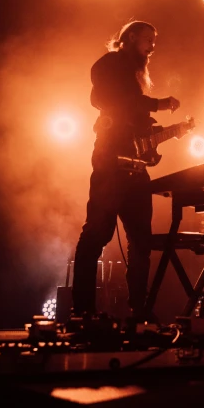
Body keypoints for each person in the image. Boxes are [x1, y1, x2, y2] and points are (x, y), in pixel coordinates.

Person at [71, 20, 180, 320]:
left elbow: (135, 119)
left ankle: (140, 311)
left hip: (136, 168)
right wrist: (158, 104)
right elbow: (113, 101)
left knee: (141, 241)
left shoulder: (133, 74)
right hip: (111, 162)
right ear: (130, 37)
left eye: (154, 41)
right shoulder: (109, 64)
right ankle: (82, 310)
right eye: (148, 39)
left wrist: (162, 134)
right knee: (97, 233)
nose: (152, 46)